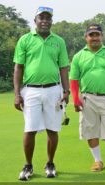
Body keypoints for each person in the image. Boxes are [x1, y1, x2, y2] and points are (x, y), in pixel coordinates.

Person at [13, 7, 69, 180]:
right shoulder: (25, 39)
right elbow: (18, 67)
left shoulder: (58, 41)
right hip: (31, 90)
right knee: (30, 129)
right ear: (35, 20)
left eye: (48, 18)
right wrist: (17, 93)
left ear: (52, 21)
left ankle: (50, 163)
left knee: (52, 129)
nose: (44, 20)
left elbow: (63, 68)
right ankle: (28, 165)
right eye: (41, 17)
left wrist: (66, 91)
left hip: (53, 90)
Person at [69, 23, 105, 176]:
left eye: (97, 34)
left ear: (102, 36)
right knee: (90, 131)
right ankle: (98, 160)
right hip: (87, 99)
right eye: (91, 35)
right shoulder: (78, 56)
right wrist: (75, 99)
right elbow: (74, 80)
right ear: (86, 37)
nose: (94, 37)